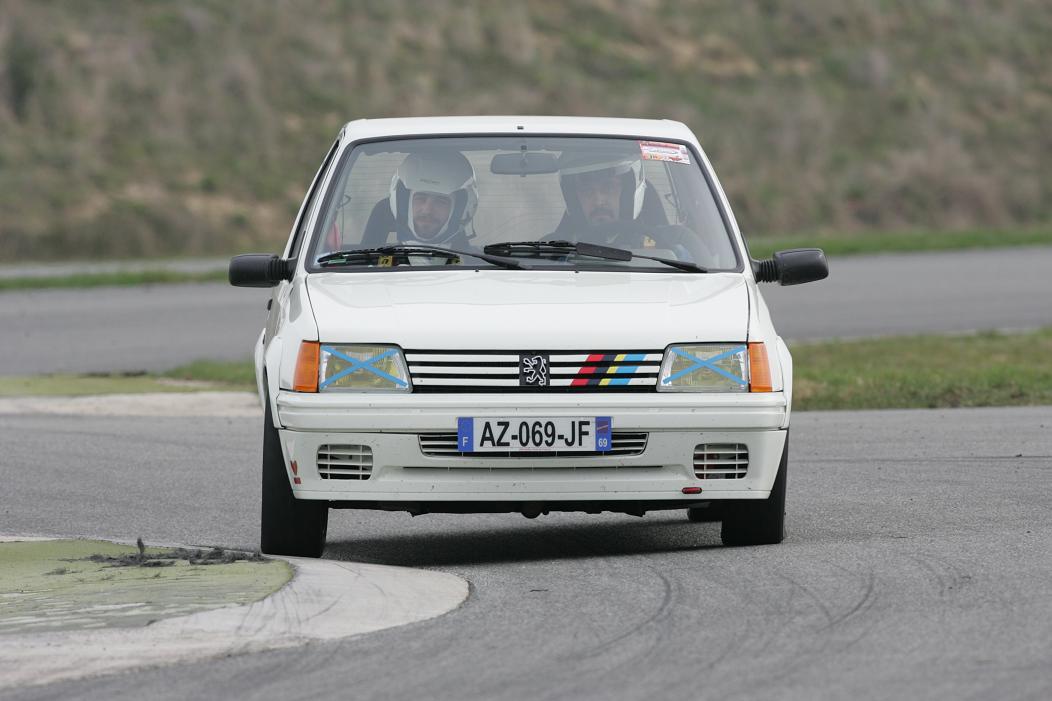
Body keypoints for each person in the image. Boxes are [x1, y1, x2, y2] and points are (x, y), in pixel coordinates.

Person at [550, 147, 665, 245]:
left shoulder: (665, 248)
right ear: (575, 201)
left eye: (609, 188)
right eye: (587, 191)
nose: (598, 201)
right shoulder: (555, 253)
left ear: (627, 193)